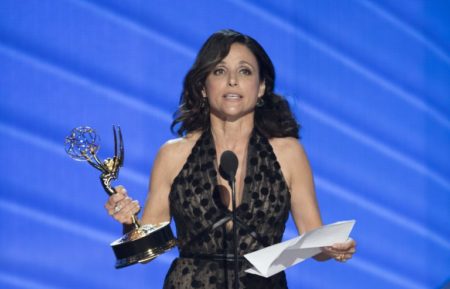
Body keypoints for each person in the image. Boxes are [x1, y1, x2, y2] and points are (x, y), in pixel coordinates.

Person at [105, 29, 356, 289]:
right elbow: (149, 252)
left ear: (261, 87)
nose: (233, 81)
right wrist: (128, 222)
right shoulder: (172, 154)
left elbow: (314, 241)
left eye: (245, 71)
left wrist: (334, 248)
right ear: (203, 87)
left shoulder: (289, 153)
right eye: (220, 71)